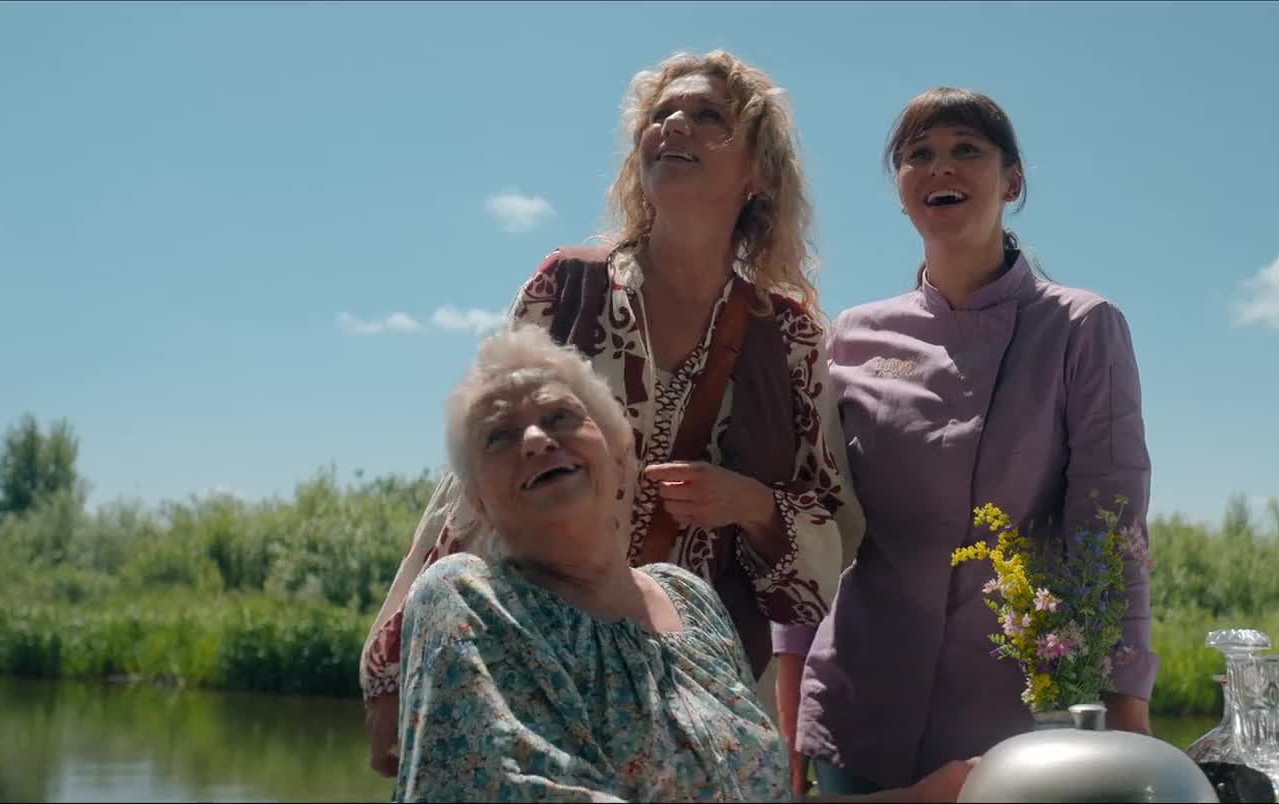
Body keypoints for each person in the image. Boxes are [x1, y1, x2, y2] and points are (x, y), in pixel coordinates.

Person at [361, 49, 859, 778]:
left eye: (707, 116)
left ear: (758, 172)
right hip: (531, 652)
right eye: (661, 115)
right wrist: (393, 664)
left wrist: (751, 505)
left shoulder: (791, 336)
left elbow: (830, 540)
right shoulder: (566, 288)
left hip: (694, 677)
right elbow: (472, 486)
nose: (674, 125)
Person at [392, 323, 971, 802]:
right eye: (499, 436)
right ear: (477, 503)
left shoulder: (688, 598)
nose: (538, 440)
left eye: (562, 416)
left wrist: (926, 797)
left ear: (618, 449)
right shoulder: (466, 598)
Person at [773, 87, 1161, 795]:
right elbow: (811, 521)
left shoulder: (1082, 328)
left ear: (1012, 182)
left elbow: (1110, 536)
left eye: (966, 150)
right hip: (854, 714)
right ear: (901, 193)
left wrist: (1127, 711)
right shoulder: (852, 337)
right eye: (918, 155)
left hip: (1017, 732)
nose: (940, 167)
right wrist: (792, 696)